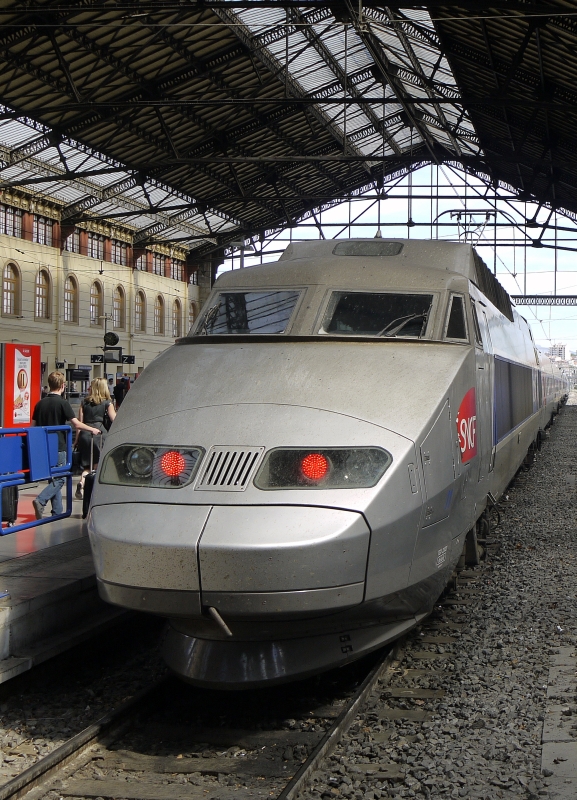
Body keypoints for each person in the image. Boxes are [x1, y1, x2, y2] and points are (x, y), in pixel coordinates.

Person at [32, 371, 101, 520]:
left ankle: (57, 511)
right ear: (63, 386)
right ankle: (41, 500)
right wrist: (92, 429)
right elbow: (76, 423)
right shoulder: (63, 403)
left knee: (53, 478)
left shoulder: (40, 403)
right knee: (61, 478)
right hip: (58, 446)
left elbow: (34, 426)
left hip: (43, 447)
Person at [74, 378, 116, 499]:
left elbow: (79, 423)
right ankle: (95, 492)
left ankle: (82, 483)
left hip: (85, 434)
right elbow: (114, 419)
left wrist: (77, 440)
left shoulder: (84, 402)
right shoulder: (107, 402)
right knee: (98, 464)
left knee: (87, 466)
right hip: (100, 435)